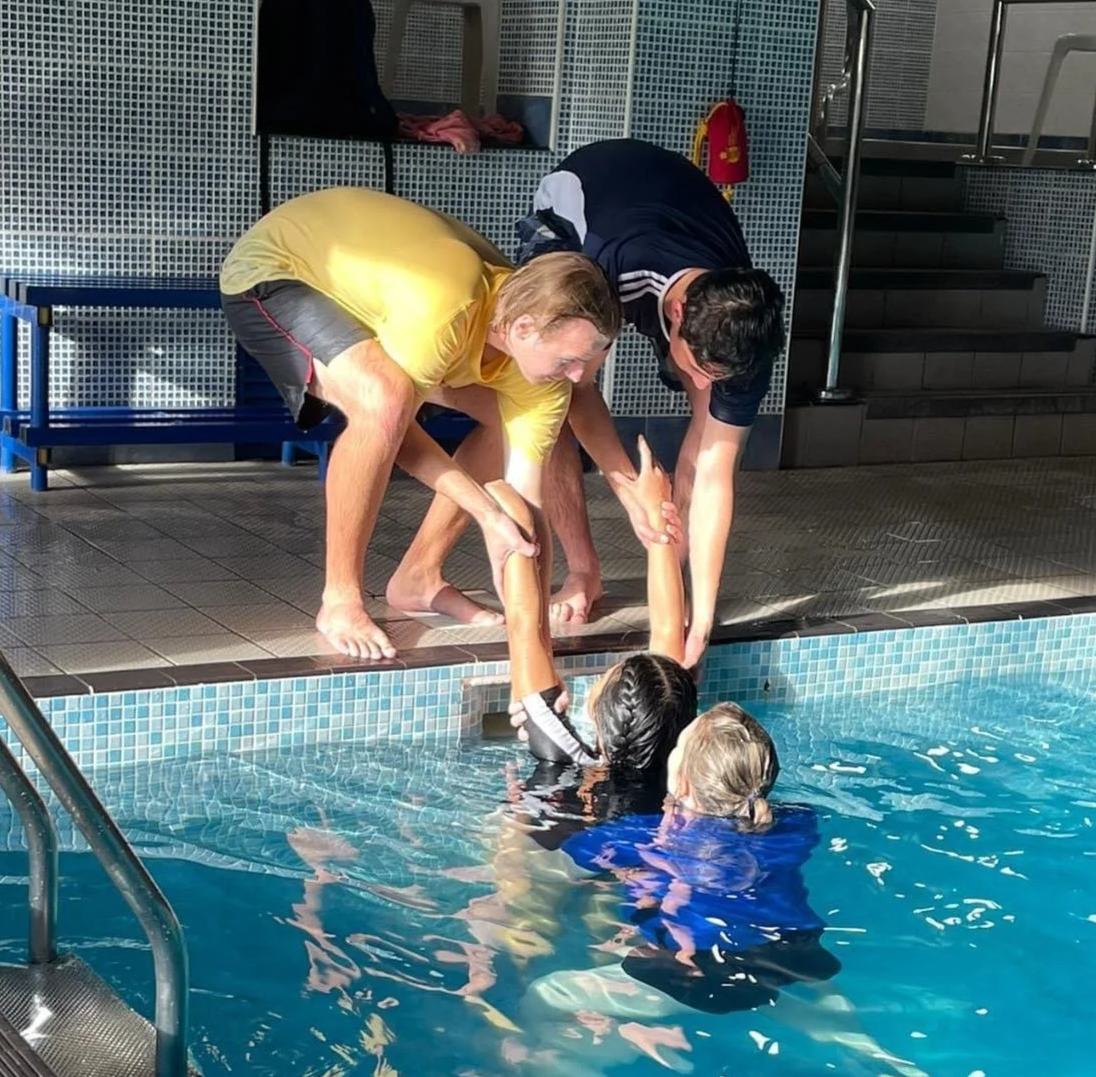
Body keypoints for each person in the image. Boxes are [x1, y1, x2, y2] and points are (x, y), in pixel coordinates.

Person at [387, 138, 786, 671]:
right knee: (543, 393)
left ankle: (668, 587)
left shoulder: (745, 329)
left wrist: (699, 613)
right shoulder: (601, 268)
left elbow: (713, 470)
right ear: (676, 310)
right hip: (588, 195)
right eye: (694, 364)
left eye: (714, 375)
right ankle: (579, 570)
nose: (699, 381)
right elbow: (573, 392)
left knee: (707, 431)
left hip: (680, 207)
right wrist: (626, 489)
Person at [220, 186, 621, 660]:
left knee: (505, 424)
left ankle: (419, 576)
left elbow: (526, 503)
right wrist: (486, 513)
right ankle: (341, 601)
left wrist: (531, 628)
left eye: (588, 365)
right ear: (523, 329)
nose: (578, 380)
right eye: (569, 361)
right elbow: (399, 436)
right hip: (277, 269)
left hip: (383, 297)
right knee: (383, 400)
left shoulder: (541, 371)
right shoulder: (445, 310)